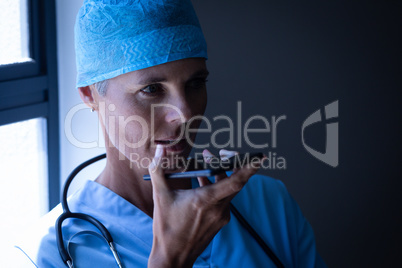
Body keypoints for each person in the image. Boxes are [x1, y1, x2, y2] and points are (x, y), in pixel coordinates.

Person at [13, 0, 326, 267]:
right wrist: (170, 260)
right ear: (90, 96)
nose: (186, 114)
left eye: (195, 84)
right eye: (151, 89)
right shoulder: (48, 254)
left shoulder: (268, 203)